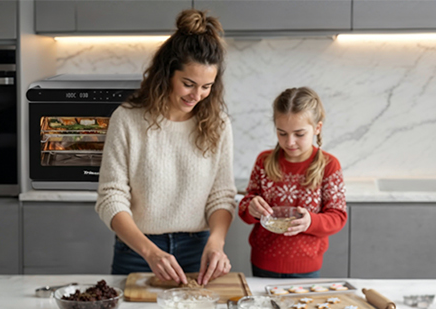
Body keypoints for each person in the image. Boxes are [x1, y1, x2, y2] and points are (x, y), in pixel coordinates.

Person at [95, 9, 235, 287]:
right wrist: (149, 251)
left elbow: (222, 195)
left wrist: (217, 243)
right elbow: (110, 197)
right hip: (137, 251)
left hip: (199, 251)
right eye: (188, 84)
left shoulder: (217, 123)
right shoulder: (128, 119)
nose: (197, 96)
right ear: (167, 73)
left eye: (207, 86)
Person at [238, 87, 348, 279]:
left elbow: (338, 217)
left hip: (307, 267)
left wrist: (310, 222)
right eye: (282, 133)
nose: (289, 142)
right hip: (263, 262)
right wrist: (251, 207)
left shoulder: (329, 165)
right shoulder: (264, 161)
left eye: (299, 134)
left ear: (317, 128)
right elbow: (246, 208)